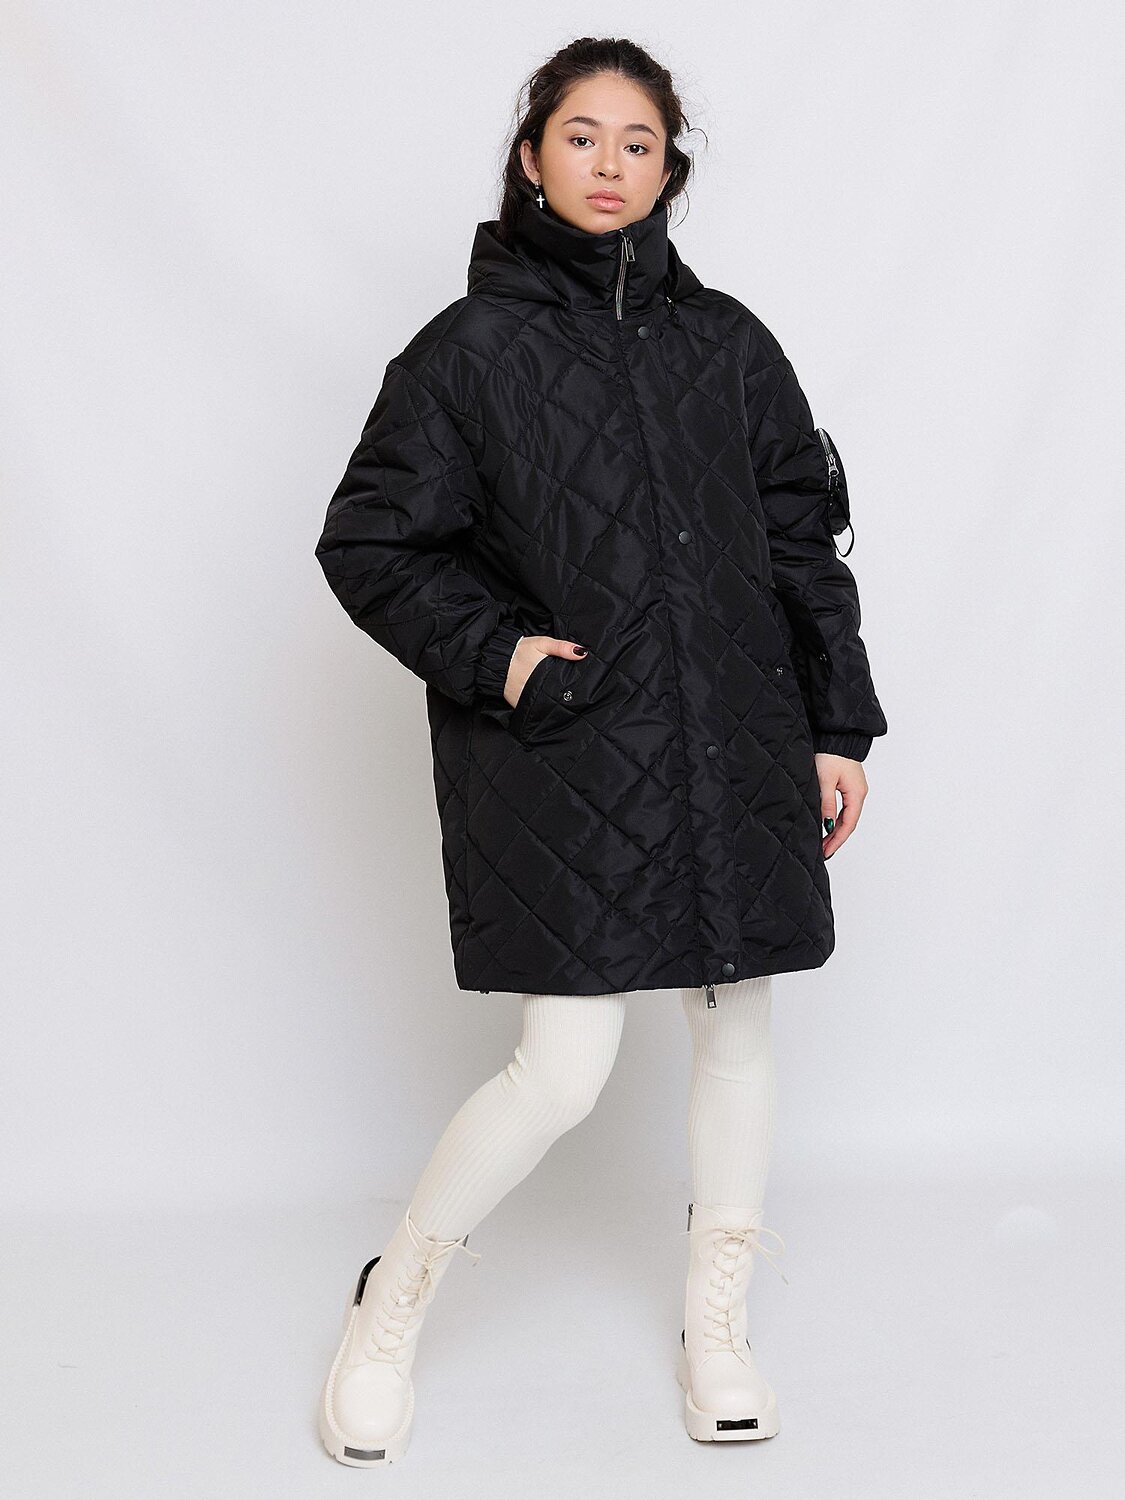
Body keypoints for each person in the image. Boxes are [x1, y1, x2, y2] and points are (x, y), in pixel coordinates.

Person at [313, 37, 887, 1466]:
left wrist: (835, 726)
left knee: (735, 1025)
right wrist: (502, 654)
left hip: (737, 737)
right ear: (531, 158)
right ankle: (394, 1296)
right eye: (583, 137)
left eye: (639, 143)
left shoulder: (728, 344)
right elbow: (372, 541)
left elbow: (801, 542)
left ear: (669, 167)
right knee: (564, 1068)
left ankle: (715, 1327)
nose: (611, 165)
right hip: (568, 747)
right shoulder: (467, 352)